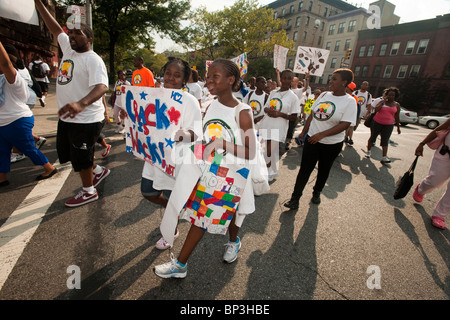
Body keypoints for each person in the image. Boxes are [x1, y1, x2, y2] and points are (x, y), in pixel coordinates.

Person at [153, 58, 256, 278]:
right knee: (201, 217)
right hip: (211, 172)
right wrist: (187, 137)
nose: (208, 80)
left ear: (231, 80)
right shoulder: (210, 104)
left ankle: (233, 241)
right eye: (208, 76)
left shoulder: (243, 112)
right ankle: (180, 265)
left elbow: (251, 151)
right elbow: (204, 136)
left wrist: (222, 144)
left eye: (214, 76)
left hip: (234, 176)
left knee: (235, 212)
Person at [35, 0, 110, 207]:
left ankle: (89, 191)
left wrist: (81, 104)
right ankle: (98, 171)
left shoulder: (93, 59)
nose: (73, 36)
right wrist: (38, 3)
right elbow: (55, 28)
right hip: (67, 118)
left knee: (81, 158)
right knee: (72, 154)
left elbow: (102, 87)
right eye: (71, 33)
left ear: (89, 39)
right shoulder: (68, 51)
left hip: (86, 118)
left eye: (78, 34)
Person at [140, 57, 202, 249]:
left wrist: (182, 134)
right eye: (168, 73)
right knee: (147, 191)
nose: (171, 78)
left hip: (175, 160)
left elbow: (196, 133)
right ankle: (173, 210)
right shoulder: (152, 95)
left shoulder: (189, 101)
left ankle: (170, 231)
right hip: (154, 157)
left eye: (177, 75)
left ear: (184, 80)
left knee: (171, 197)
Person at [284, 68, 357, 210]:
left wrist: (322, 135)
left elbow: (345, 124)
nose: (331, 81)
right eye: (331, 78)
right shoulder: (324, 95)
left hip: (331, 144)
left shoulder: (349, 101)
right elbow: (312, 113)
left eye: (335, 79)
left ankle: (317, 192)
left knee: (324, 170)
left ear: (345, 82)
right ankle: (295, 199)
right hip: (312, 140)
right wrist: (303, 132)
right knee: (305, 170)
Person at [0, 40, 57, 187]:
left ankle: (49, 168)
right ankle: (2, 178)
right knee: (2, 151)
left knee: (27, 148)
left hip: (17, 121)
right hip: (3, 123)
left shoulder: (13, 78)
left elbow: (5, 64)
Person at [258, 69, 300, 180]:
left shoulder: (293, 97)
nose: (286, 80)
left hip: (279, 127)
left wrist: (280, 114)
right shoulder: (273, 93)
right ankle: (272, 171)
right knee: (266, 149)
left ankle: (265, 174)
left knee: (270, 151)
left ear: (291, 80)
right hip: (267, 124)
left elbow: (294, 117)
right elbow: (265, 107)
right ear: (280, 78)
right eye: (284, 78)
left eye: (289, 78)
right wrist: (269, 111)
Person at [413, 118, 450, 230]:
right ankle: (421, 189)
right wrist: (422, 143)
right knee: (434, 181)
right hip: (446, 154)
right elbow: (440, 128)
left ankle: (439, 215)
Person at [365, 87, 401, 164]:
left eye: (393, 95)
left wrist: (398, 127)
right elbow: (376, 110)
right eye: (389, 95)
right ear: (386, 95)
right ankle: (368, 151)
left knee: (385, 140)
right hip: (377, 123)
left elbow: (397, 116)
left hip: (388, 125)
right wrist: (383, 102)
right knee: (373, 137)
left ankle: (384, 157)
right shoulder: (382, 102)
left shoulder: (397, 105)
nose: (391, 97)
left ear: (395, 96)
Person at [112, 70, 130, 134]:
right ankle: (119, 125)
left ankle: (123, 127)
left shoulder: (127, 83)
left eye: (124, 74)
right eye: (121, 74)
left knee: (123, 115)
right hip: (117, 101)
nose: (122, 76)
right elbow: (114, 91)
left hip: (124, 102)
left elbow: (129, 93)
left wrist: (125, 86)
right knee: (115, 114)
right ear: (118, 75)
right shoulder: (117, 82)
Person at [344, 82, 359, 146]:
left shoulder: (354, 97)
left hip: (348, 116)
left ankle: (349, 138)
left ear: (349, 88)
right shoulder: (344, 95)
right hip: (344, 115)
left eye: (346, 87)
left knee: (349, 128)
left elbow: (352, 107)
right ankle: (347, 138)